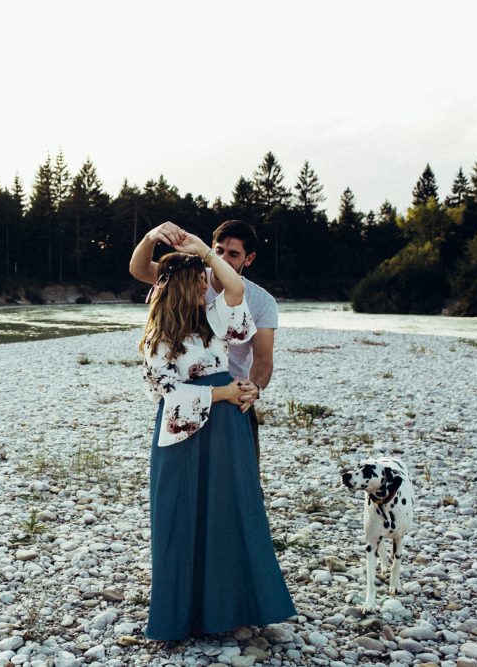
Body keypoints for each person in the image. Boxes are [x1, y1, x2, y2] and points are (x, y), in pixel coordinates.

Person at [131, 227, 295, 641]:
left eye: (223, 258)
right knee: (179, 518)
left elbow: (238, 290)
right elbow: (166, 392)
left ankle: (231, 610)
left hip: (227, 429)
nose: (211, 277)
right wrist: (222, 391)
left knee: (230, 514)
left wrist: (205, 251)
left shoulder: (218, 320)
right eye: (204, 273)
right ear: (189, 287)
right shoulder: (159, 338)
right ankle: (182, 615)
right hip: (182, 431)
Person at [130, 220, 277, 464]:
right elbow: (139, 269)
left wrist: (254, 389)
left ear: (248, 259)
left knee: (240, 474)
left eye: (233, 254)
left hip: (234, 396)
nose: (223, 258)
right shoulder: (188, 276)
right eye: (218, 250)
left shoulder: (260, 301)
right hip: (188, 397)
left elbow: (263, 359)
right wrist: (150, 237)